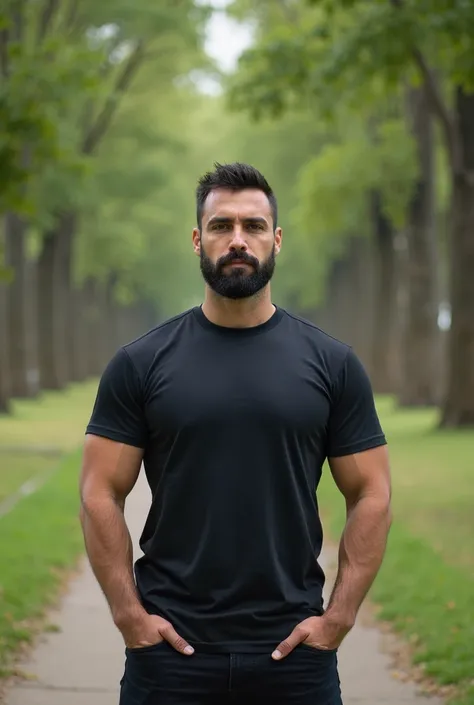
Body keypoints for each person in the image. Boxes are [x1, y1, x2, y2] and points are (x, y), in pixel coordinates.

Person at [79, 162, 392, 704]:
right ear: (198, 239)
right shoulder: (141, 362)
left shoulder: (332, 363)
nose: (238, 240)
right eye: (222, 226)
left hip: (296, 658)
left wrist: (337, 620)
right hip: (170, 659)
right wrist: (131, 617)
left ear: (277, 239)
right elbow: (99, 491)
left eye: (253, 226)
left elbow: (372, 493)